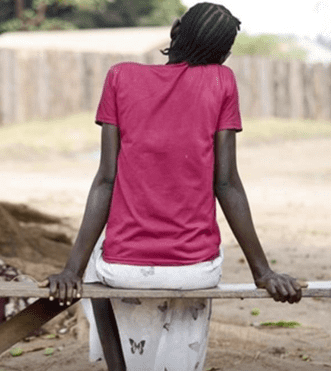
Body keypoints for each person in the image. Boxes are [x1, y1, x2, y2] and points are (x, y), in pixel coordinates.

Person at [41, 3, 303, 371]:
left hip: (124, 269)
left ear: (174, 28)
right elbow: (226, 183)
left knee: (95, 270)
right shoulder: (221, 81)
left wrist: (71, 270)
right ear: (224, 55)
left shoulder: (120, 77)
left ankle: (120, 365)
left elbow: (106, 179)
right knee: (190, 291)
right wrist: (264, 272)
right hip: (195, 270)